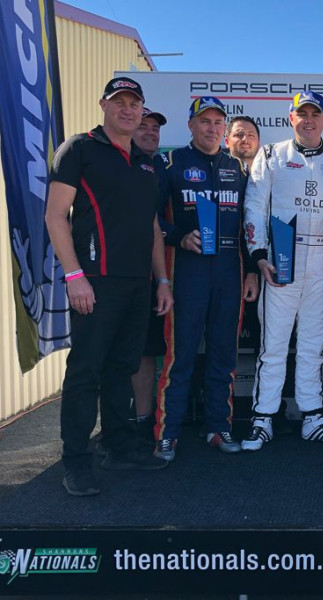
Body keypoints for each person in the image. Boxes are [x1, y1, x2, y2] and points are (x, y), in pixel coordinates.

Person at [46, 76, 172, 496]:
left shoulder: (146, 162)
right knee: (86, 373)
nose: (127, 109)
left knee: (123, 368)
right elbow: (55, 216)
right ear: (104, 105)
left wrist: (162, 280)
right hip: (95, 282)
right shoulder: (79, 149)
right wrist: (74, 276)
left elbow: (152, 227)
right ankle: (76, 462)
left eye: (134, 103)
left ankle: (119, 448)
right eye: (120, 102)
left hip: (137, 283)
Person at [154, 96, 259, 460]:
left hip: (230, 270)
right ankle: (167, 433)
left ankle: (219, 426)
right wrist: (178, 237)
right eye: (204, 121)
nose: (211, 128)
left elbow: (251, 223)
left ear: (224, 129)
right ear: (190, 125)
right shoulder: (171, 163)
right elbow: (152, 219)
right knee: (180, 355)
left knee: (223, 354)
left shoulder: (238, 168)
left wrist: (251, 271)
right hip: (188, 270)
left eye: (217, 122)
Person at [241, 91, 323, 450]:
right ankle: (262, 418)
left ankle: (312, 416)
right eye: (302, 114)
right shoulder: (272, 154)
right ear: (291, 118)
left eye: (315, 114)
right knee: (273, 345)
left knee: (313, 345)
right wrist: (259, 255)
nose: (309, 120)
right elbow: (255, 206)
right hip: (281, 260)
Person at [130, 107, 168, 441]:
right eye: (144, 126)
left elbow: (162, 224)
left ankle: (143, 421)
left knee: (147, 351)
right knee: (114, 354)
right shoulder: (109, 161)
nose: (150, 133)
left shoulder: (160, 168)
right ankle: (115, 427)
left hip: (156, 277)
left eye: (155, 128)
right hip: (113, 276)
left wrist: (164, 280)